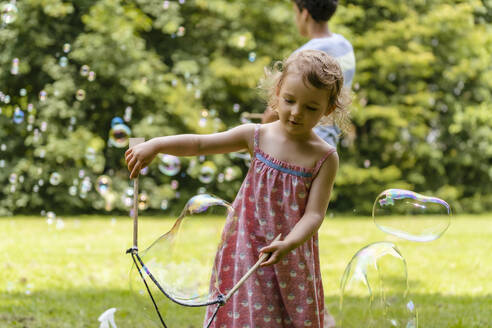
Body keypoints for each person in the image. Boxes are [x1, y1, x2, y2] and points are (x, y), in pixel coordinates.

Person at [125, 50, 350, 328]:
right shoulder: (256, 136)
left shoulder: (324, 157)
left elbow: (314, 215)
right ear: (277, 92)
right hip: (245, 247)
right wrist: (156, 145)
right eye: (290, 100)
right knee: (245, 316)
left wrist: (289, 243)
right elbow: (200, 144)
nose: (296, 112)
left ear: (328, 109)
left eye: (311, 107)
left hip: (290, 253)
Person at [262, 0, 356, 148]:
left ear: (305, 14)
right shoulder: (345, 46)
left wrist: (263, 131)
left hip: (300, 147)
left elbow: (275, 110)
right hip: (328, 144)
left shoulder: (304, 57)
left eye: (295, 12)